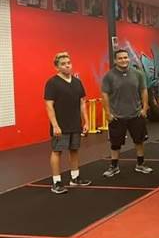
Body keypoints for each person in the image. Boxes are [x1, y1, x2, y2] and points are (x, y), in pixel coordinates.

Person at [44, 52, 92, 194]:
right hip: (60, 125)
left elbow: (82, 103)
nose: (67, 66)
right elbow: (49, 105)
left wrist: (86, 122)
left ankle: (75, 178)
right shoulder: (52, 83)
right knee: (57, 151)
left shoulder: (77, 82)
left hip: (75, 124)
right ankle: (56, 182)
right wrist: (55, 125)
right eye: (63, 64)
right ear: (57, 67)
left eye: (68, 63)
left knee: (74, 150)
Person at [101, 49, 152, 177]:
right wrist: (108, 113)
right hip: (117, 116)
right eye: (120, 58)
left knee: (139, 141)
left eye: (125, 57)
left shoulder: (138, 74)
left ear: (129, 59)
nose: (123, 60)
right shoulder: (109, 76)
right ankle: (114, 166)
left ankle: (140, 164)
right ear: (115, 60)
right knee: (115, 144)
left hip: (136, 114)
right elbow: (104, 94)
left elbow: (144, 90)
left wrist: (144, 108)